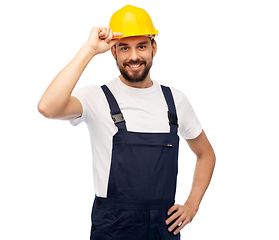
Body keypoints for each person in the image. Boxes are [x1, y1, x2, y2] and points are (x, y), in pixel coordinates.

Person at [38, 5, 215, 240]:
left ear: (154, 47)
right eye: (124, 48)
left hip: (164, 227)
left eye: (141, 46)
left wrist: (192, 204)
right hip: (113, 227)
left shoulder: (175, 101)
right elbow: (47, 107)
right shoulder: (96, 97)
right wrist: (89, 49)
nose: (134, 57)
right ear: (113, 52)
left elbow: (206, 154)